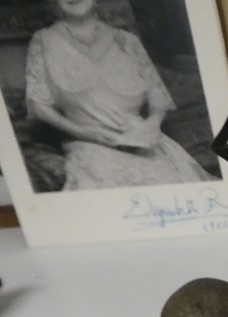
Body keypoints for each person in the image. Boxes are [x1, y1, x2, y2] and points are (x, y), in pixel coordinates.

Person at [24, 0, 214, 191]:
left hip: (144, 141)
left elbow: (158, 95)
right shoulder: (44, 41)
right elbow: (39, 106)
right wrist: (84, 133)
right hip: (89, 145)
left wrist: (153, 123)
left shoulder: (127, 40)